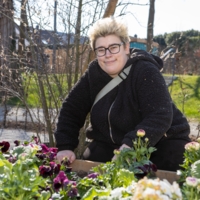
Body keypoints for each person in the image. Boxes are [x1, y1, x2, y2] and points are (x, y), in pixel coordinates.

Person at [54, 16, 191, 171]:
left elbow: (160, 115)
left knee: (159, 180)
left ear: (126, 47)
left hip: (162, 142)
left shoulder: (145, 70)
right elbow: (71, 109)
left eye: (113, 47)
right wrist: (65, 146)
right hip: (111, 144)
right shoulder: (93, 74)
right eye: (101, 50)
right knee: (88, 175)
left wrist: (131, 145)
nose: (108, 54)